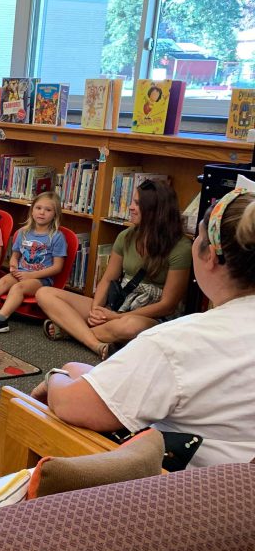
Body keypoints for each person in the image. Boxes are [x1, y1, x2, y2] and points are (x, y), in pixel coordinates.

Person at [31, 188, 255, 468]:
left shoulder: (173, 342)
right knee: (77, 365)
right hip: (239, 491)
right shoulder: (127, 238)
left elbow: (71, 406)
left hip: (181, 495)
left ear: (209, 255)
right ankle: (93, 342)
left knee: (33, 408)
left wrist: (56, 375)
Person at [36, 179, 191, 359]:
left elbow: (167, 305)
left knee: (131, 327)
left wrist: (115, 318)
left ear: (155, 210)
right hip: (118, 304)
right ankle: (97, 344)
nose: (131, 207)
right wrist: (96, 309)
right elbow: (108, 278)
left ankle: (71, 330)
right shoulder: (126, 236)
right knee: (44, 294)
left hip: (149, 315)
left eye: (137, 203)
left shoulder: (181, 247)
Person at [0, 191, 67, 334]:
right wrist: (13, 264)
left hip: (41, 279)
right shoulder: (23, 232)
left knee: (18, 288)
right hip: (21, 272)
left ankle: (1, 319)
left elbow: (58, 267)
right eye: (38, 208)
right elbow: (15, 255)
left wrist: (31, 276)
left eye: (48, 210)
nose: (42, 213)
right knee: (2, 282)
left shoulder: (56, 237)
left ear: (55, 214)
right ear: (32, 210)